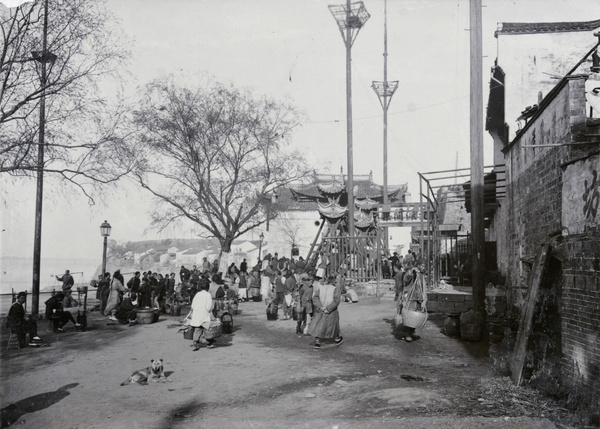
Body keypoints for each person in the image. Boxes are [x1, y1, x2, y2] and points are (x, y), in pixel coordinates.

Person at [307, 275, 344, 349]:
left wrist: (320, 307)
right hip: (330, 310)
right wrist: (329, 308)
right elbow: (336, 300)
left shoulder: (321, 288)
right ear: (334, 281)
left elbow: (315, 298)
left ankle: (317, 341)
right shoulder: (335, 289)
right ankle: (337, 338)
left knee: (319, 324)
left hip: (321, 309)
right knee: (333, 323)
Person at [190, 282, 216, 350]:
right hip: (204, 315)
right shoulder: (208, 295)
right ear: (208, 287)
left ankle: (195, 343)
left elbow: (192, 306)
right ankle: (208, 343)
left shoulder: (197, 294)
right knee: (206, 330)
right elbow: (208, 307)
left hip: (196, 314)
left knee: (197, 329)